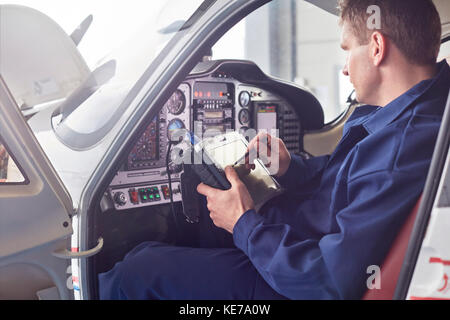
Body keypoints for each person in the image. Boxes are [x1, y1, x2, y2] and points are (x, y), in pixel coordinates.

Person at [98, 0, 450, 299]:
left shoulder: (403, 146)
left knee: (139, 270)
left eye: (347, 51)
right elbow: (349, 179)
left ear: (376, 47)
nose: (344, 68)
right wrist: (290, 167)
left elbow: (329, 279)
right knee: (197, 229)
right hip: (300, 247)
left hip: (296, 282)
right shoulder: (412, 120)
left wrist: (244, 224)